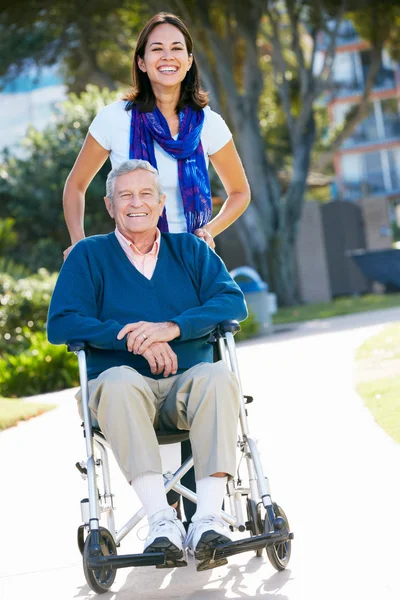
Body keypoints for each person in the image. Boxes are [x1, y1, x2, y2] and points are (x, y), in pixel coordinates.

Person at [62, 11, 250, 524]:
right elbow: (77, 186)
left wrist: (207, 231)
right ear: (142, 62)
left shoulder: (208, 124)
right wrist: (83, 251)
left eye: (177, 48)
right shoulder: (116, 118)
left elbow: (239, 192)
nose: (167, 57)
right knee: (142, 376)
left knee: (194, 373)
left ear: (189, 60)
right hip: (125, 260)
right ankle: (165, 515)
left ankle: (203, 513)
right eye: (156, 49)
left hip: (185, 265)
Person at [48, 160, 248, 569]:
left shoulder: (190, 250)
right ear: (108, 205)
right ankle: (162, 522)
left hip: (185, 390)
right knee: (119, 380)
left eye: (145, 194)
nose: (135, 203)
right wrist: (135, 337)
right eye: (125, 195)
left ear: (161, 204)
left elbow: (232, 302)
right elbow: (61, 322)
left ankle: (208, 519)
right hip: (121, 394)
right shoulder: (88, 256)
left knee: (217, 376)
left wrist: (171, 328)